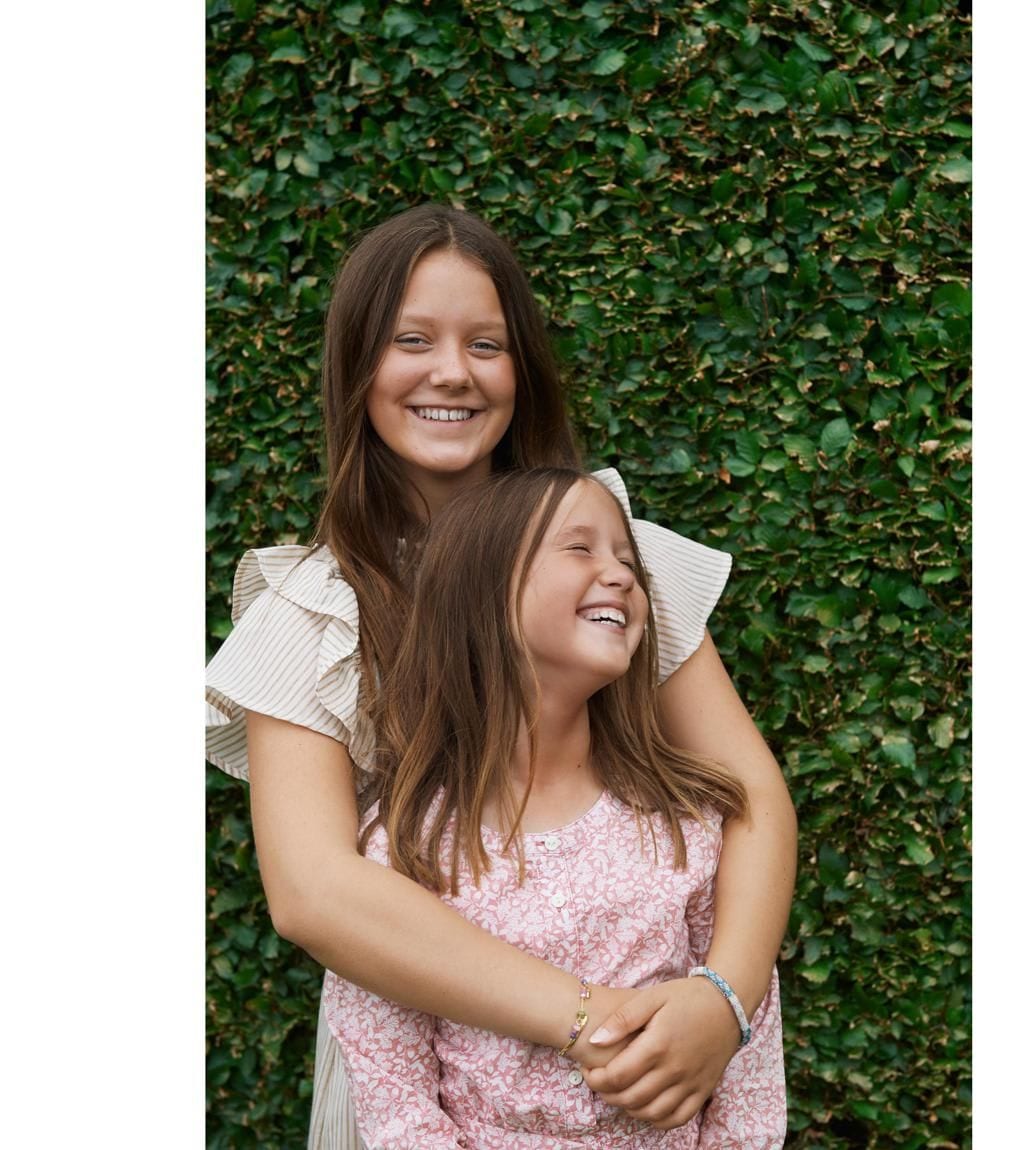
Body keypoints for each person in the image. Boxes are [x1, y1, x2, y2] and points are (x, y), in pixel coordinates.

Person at [205, 204, 797, 1148]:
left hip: (658, 1062)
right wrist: (591, 1020)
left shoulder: (618, 562)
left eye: (487, 343)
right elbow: (314, 890)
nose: (453, 371)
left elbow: (751, 793)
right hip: (430, 1072)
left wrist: (722, 1002)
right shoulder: (317, 607)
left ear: (523, 370)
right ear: (357, 368)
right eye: (411, 340)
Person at [324, 467, 786, 1149]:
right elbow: (395, 1098)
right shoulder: (404, 848)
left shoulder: (685, 822)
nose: (622, 575)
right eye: (580, 550)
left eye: (626, 560)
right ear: (483, 595)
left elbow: (746, 1051)